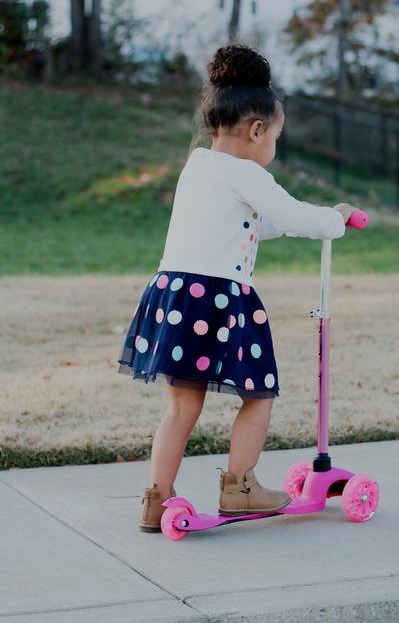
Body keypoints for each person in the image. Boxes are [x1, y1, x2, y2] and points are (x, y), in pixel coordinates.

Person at [116, 42, 358, 532]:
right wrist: (333, 220)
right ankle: (240, 486)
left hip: (176, 296)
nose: (274, 147)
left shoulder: (199, 166)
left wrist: (295, 225)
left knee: (182, 406)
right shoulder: (247, 172)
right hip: (219, 299)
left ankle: (157, 499)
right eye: (276, 137)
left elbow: (250, 224)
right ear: (256, 130)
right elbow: (291, 213)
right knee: (259, 391)